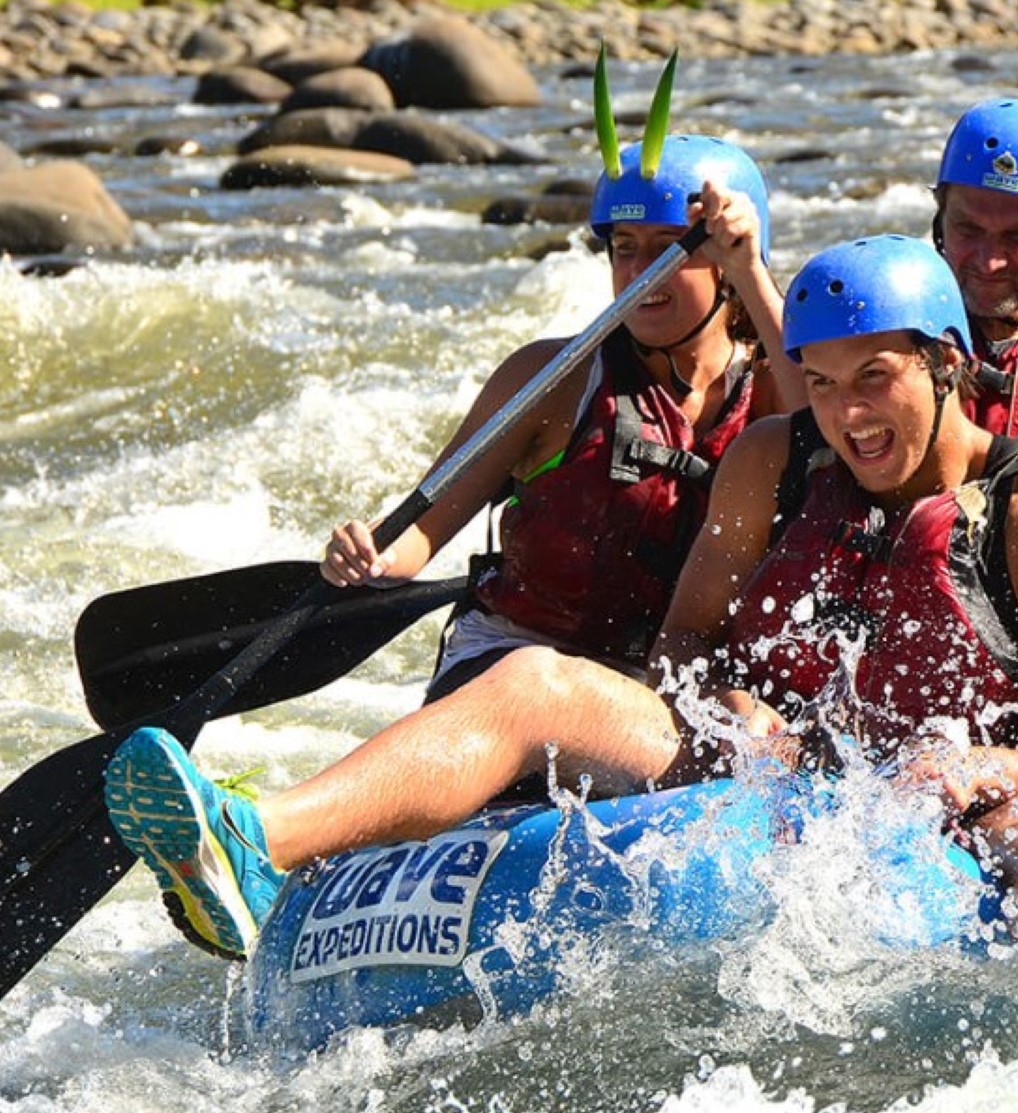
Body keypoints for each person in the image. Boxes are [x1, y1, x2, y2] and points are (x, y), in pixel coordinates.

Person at [103, 235, 1018, 1021]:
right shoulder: (768, 461)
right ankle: (255, 843)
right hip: (771, 758)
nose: (845, 416)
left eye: (874, 379)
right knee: (539, 676)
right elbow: (686, 638)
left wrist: (980, 763)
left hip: (957, 785)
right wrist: (727, 703)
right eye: (825, 383)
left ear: (945, 363)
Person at [323, 134, 798, 702]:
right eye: (625, 247)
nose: (641, 273)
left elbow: (824, 432)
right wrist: (369, 555)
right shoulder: (553, 376)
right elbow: (418, 535)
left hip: (671, 688)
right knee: (539, 684)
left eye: (671, 249)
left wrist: (748, 267)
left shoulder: (778, 385)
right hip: (514, 664)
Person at [771, 98, 1018, 510]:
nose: (988, 261)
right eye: (968, 229)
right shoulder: (886, 303)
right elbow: (812, 402)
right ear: (939, 220)